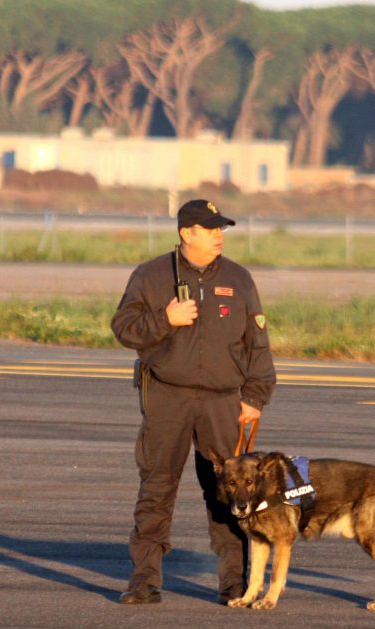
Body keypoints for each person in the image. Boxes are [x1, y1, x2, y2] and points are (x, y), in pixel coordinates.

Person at [110, 199, 276, 605]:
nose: (219, 234)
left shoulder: (238, 279)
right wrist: (166, 319)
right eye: (210, 228)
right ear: (187, 234)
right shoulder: (150, 276)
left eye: (221, 228)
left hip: (223, 401)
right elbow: (124, 328)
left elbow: (257, 344)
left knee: (231, 491)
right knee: (157, 487)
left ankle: (235, 583)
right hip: (167, 396)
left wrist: (254, 396)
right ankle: (145, 581)